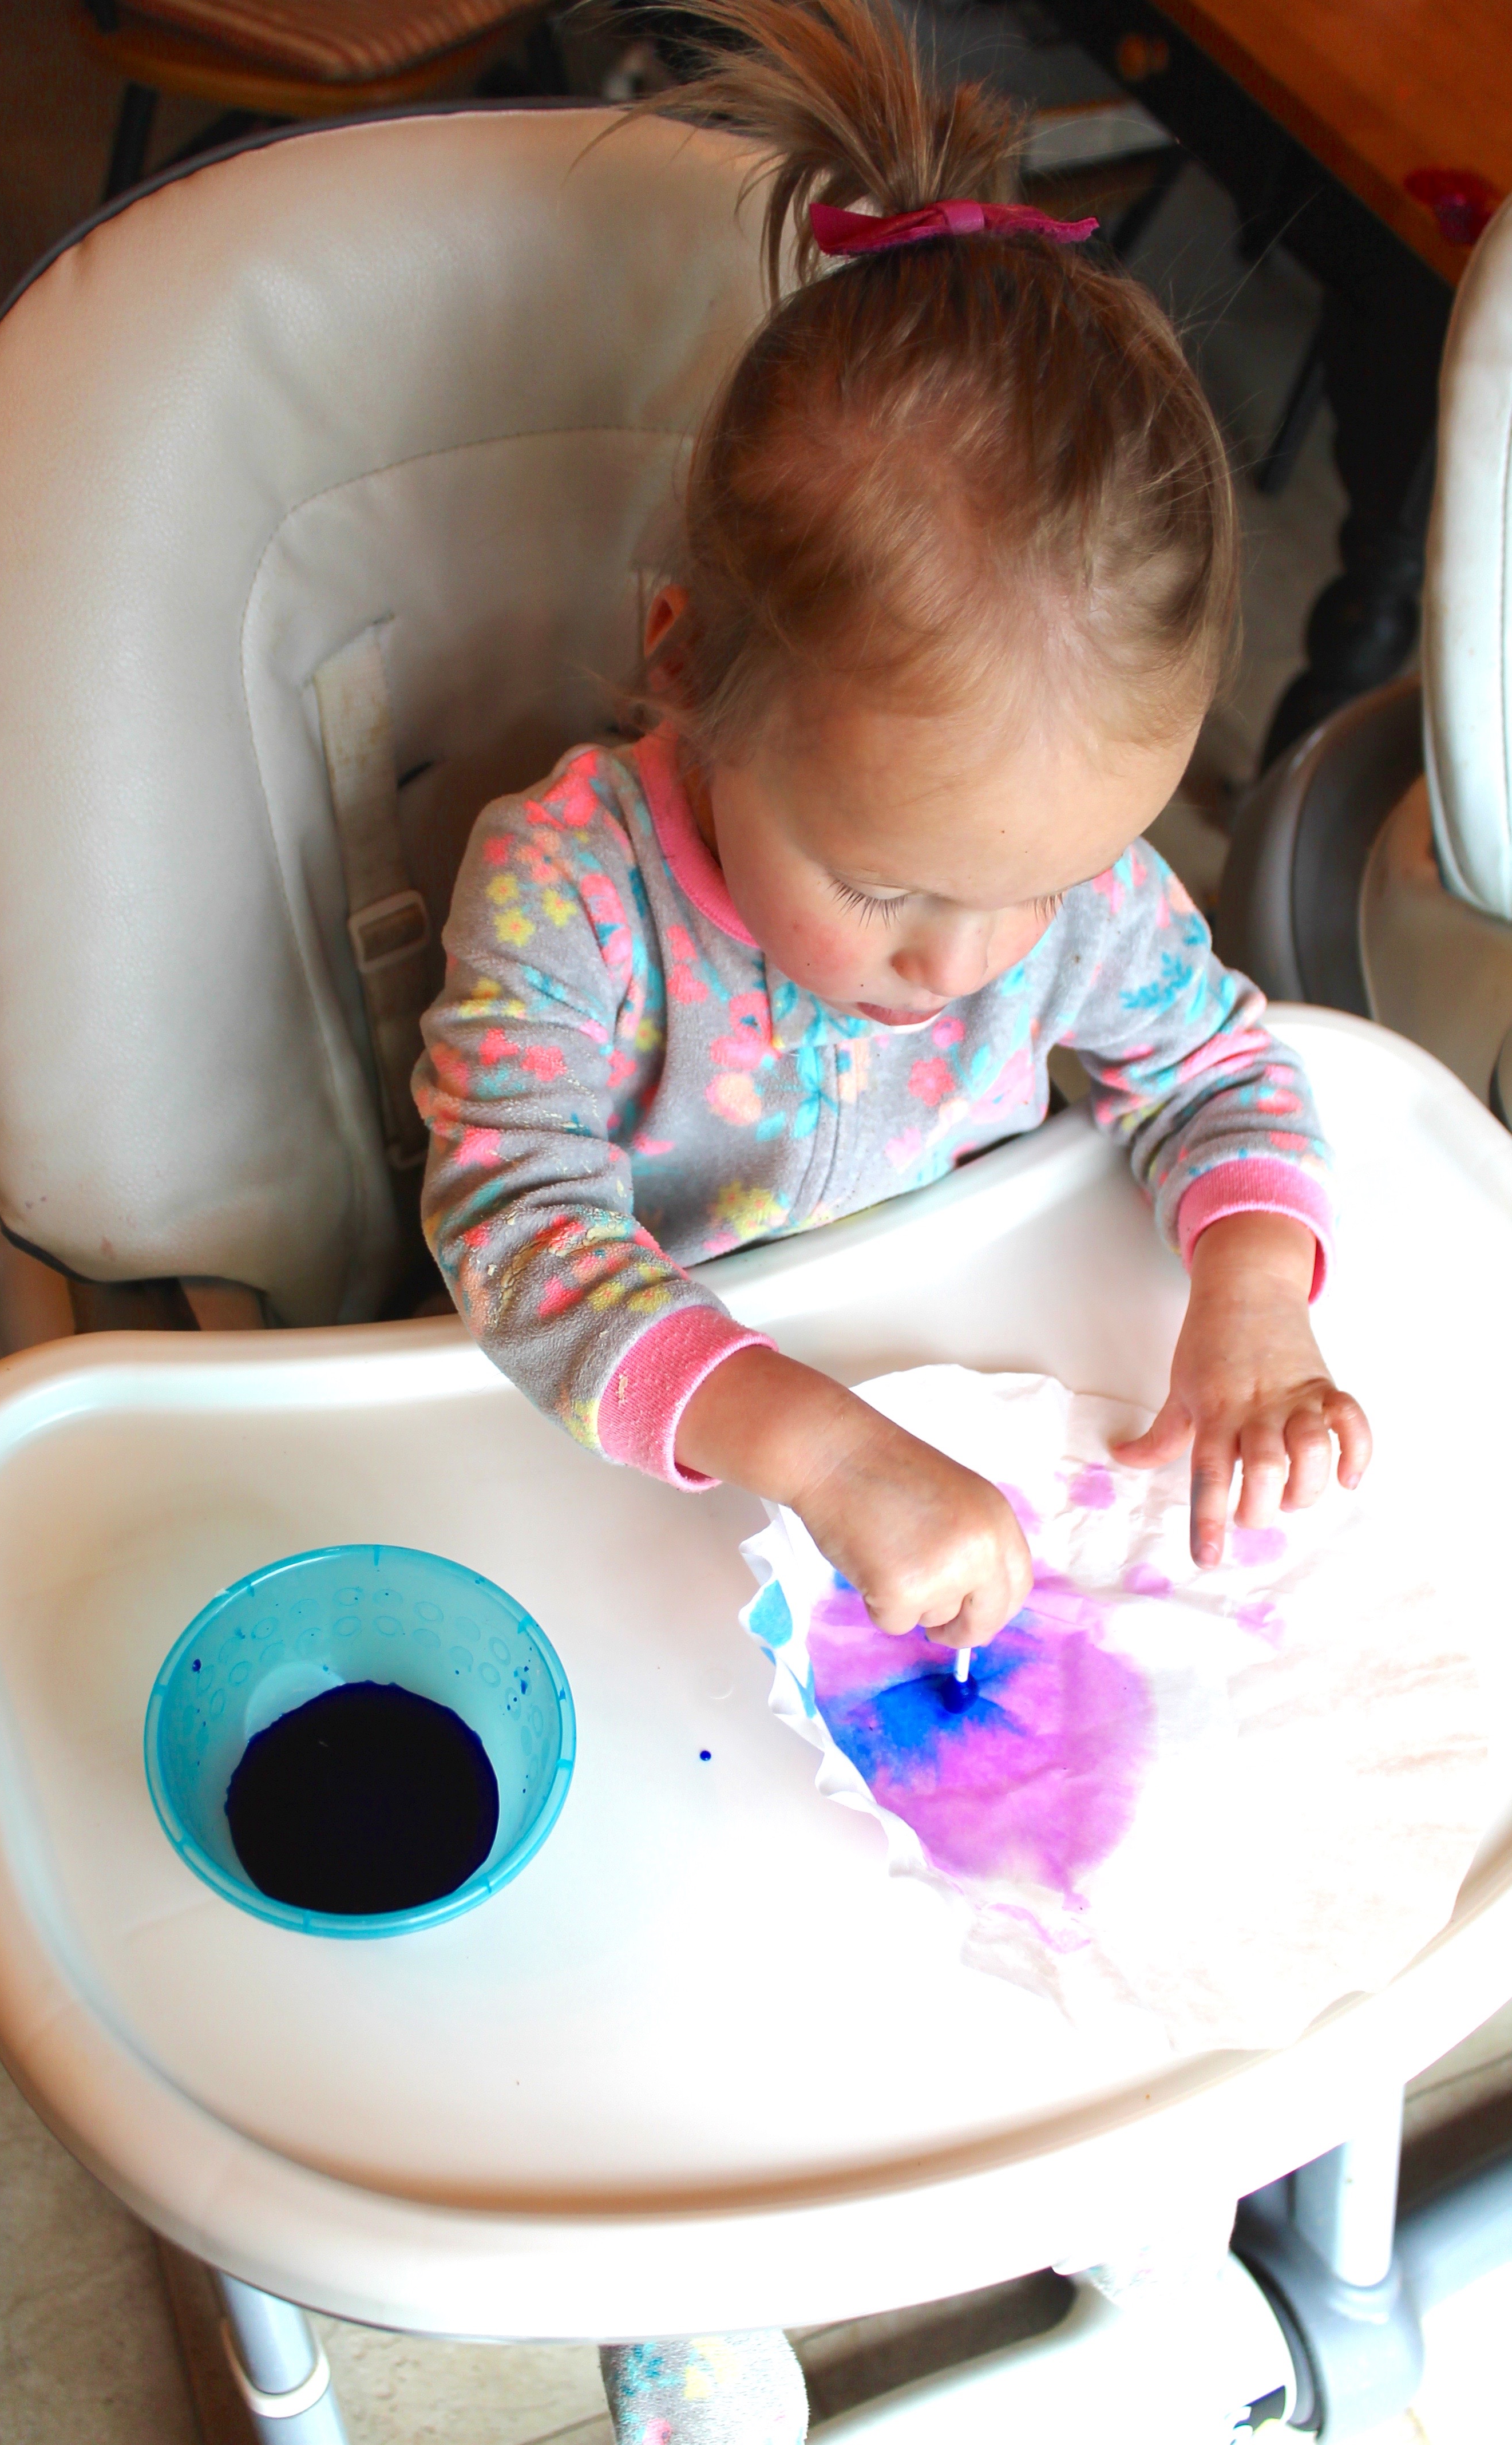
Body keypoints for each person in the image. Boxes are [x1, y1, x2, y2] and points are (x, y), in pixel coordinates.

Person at [416, 3, 1371, 2430]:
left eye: (1040, 882)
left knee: (1025, 1858)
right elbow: (512, 1227)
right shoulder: (569, 890)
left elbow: (1213, 1060)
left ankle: (1080, 2137)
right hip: (639, 1468)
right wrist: (820, 1447)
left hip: (933, 1455)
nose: (970, 961)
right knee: (664, 1934)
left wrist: (1251, 1294)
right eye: (888, 886)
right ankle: (687, 2266)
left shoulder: (1061, 900)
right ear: (687, 671)